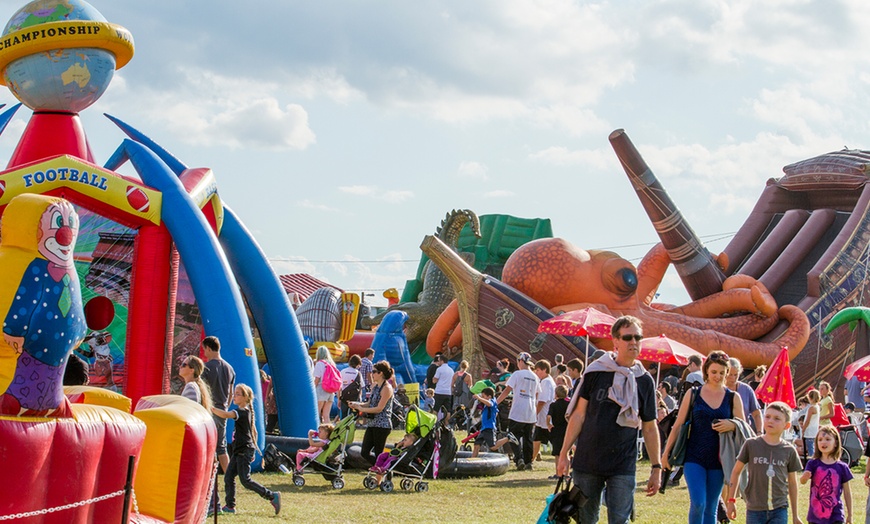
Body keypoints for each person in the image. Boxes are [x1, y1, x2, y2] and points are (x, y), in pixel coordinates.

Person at [556, 315, 661, 523]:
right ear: (615, 341)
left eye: (637, 337)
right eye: (628, 337)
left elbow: (649, 426)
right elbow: (578, 414)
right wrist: (564, 452)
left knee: (619, 520)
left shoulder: (644, 380)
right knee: (586, 519)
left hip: (623, 463)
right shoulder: (596, 372)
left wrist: (656, 467)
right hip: (588, 460)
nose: (633, 342)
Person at [662, 350, 745, 524]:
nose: (718, 376)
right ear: (706, 370)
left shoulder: (733, 397)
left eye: (722, 373)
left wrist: (733, 424)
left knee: (711, 507)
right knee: (698, 503)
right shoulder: (693, 394)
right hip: (694, 457)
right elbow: (678, 425)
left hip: (719, 459)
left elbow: (744, 428)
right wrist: (665, 453)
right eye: (714, 372)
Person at [725, 402, 803, 524]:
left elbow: (793, 483)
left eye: (777, 418)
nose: (770, 421)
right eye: (767, 417)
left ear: (787, 425)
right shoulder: (751, 444)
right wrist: (731, 500)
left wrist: (795, 515)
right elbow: (736, 472)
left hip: (779, 509)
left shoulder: (789, 450)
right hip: (755, 509)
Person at [211, 384, 281, 516]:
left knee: (245, 480)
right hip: (241, 451)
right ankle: (230, 506)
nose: (234, 396)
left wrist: (211, 408)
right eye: (235, 393)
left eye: (238, 394)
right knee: (229, 476)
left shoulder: (241, 412)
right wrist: (253, 449)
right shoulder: (246, 412)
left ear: (245, 398)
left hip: (243, 451)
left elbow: (225, 414)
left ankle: (272, 496)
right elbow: (253, 432)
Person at [201, 336, 235, 512]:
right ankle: (229, 479)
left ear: (208, 348)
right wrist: (225, 406)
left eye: (205, 350)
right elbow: (230, 392)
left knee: (212, 448)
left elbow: (203, 390)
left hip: (210, 410)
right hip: (222, 411)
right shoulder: (229, 368)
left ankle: (212, 482)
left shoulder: (207, 368)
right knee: (221, 448)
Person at [496, 352, 541, 471]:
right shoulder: (535, 376)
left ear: (520, 361)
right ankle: (528, 462)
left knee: (512, 435)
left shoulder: (517, 374)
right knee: (528, 437)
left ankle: (519, 458)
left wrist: (496, 403)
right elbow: (536, 394)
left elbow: (507, 390)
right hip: (530, 411)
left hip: (518, 410)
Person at [800, 426, 853, 524]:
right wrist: (804, 477)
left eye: (828, 439)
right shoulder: (813, 464)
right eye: (820, 440)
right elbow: (802, 482)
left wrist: (850, 514)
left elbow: (847, 492)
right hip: (815, 515)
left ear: (836, 442)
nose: (823, 442)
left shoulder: (842, 467)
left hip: (836, 515)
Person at [350, 361, 395, 466]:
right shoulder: (375, 387)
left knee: (379, 453)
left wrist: (361, 409)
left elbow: (379, 408)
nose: (372, 374)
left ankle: (383, 470)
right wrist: (356, 404)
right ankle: (382, 468)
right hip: (372, 423)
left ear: (381, 373)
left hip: (382, 425)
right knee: (364, 452)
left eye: (374, 372)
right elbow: (370, 403)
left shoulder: (387, 388)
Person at [470, 387, 516, 457]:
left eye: (483, 396)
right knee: (476, 445)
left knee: (493, 447)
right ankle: (472, 461)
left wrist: (479, 398)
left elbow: (489, 404)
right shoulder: (488, 404)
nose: (482, 398)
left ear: (489, 396)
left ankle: (508, 438)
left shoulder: (492, 402)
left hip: (489, 428)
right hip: (483, 428)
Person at [726, 357, 762, 435]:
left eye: (736, 375)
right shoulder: (718, 389)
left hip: (743, 433)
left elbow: (757, 414)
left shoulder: (746, 390)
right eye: (730, 375)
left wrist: (759, 432)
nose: (733, 378)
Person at [533, 359, 556, 463]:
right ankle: (531, 459)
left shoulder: (546, 382)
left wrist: (534, 414)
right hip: (544, 418)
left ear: (544, 370)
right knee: (536, 439)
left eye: (538, 370)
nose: (536, 372)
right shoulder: (548, 381)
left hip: (545, 417)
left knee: (554, 440)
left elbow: (542, 401)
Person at [547, 384, 570, 479]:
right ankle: (567, 473)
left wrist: (549, 424)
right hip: (567, 430)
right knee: (567, 452)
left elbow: (548, 416)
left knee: (557, 453)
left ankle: (558, 473)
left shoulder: (553, 405)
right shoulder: (568, 404)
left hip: (557, 430)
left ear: (556, 394)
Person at [312, 346, 338, 423]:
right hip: (331, 391)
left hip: (321, 389)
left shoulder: (319, 363)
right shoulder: (332, 363)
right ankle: (328, 433)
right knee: (326, 416)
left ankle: (317, 432)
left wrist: (313, 389)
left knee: (317, 414)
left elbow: (317, 379)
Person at [801, 389, 821, 461]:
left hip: (809, 431)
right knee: (812, 446)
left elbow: (807, 420)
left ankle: (811, 461)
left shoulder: (811, 408)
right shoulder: (817, 407)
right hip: (814, 430)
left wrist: (803, 429)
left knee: (810, 448)